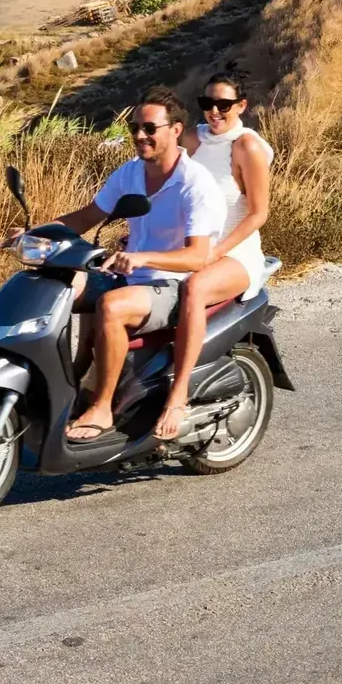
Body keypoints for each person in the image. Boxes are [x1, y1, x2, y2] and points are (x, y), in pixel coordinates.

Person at [53, 96, 229, 444]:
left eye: (150, 128)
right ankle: (67, 380)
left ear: (176, 130)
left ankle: (102, 408)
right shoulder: (131, 172)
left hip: (170, 283)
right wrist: (36, 234)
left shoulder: (194, 183)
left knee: (111, 306)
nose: (140, 135)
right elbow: (89, 216)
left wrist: (143, 257)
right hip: (130, 275)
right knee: (60, 287)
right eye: (134, 127)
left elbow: (197, 257)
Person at [180, 76, 274, 355]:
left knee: (195, 288)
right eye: (207, 103)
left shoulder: (247, 147)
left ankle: (183, 383)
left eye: (224, 104)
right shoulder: (191, 139)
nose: (214, 111)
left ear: (241, 106)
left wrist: (217, 251)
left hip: (234, 252)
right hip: (192, 246)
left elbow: (258, 214)